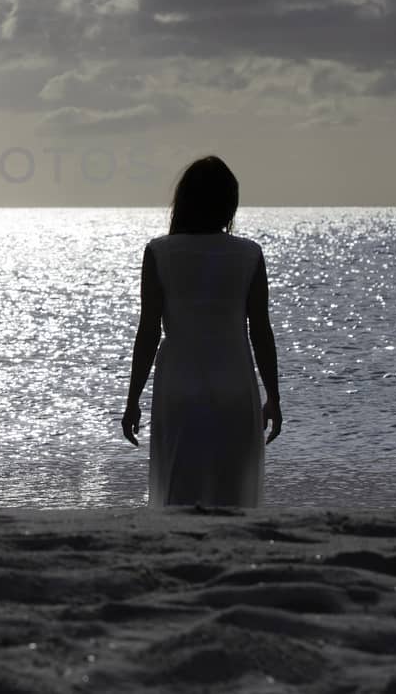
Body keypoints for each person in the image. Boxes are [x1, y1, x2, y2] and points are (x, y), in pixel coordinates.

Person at [121, 156, 282, 506]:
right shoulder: (249, 254)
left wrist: (132, 399)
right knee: (235, 496)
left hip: (179, 389)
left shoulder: (160, 252)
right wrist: (274, 395)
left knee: (179, 494)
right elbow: (261, 330)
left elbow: (148, 330)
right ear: (229, 203)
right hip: (235, 387)